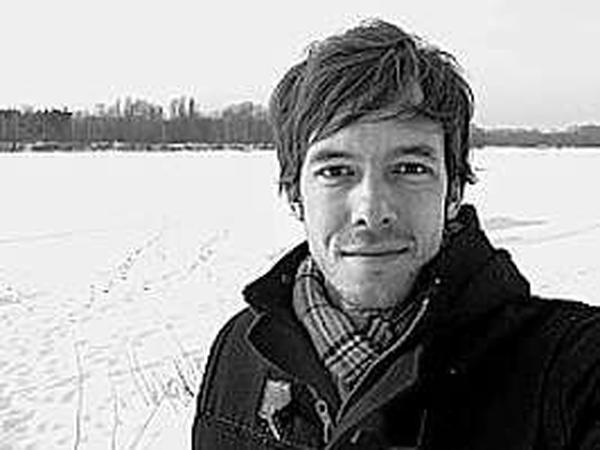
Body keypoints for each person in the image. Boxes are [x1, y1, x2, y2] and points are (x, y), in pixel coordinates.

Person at [192, 19, 600, 449]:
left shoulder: (574, 372)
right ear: (295, 194)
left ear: (453, 192)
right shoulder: (241, 352)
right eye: (336, 171)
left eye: (409, 169)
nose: (371, 212)